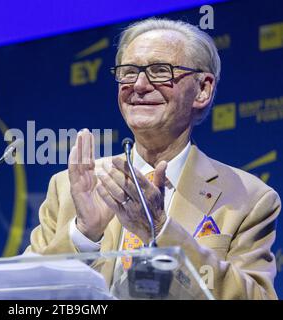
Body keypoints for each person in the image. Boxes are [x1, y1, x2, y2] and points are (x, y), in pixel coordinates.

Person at [25, 18, 280, 299]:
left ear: (202, 89)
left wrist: (159, 230)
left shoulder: (248, 198)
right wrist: (85, 235)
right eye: (129, 72)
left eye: (160, 71)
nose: (140, 85)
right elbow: (22, 297)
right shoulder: (68, 188)